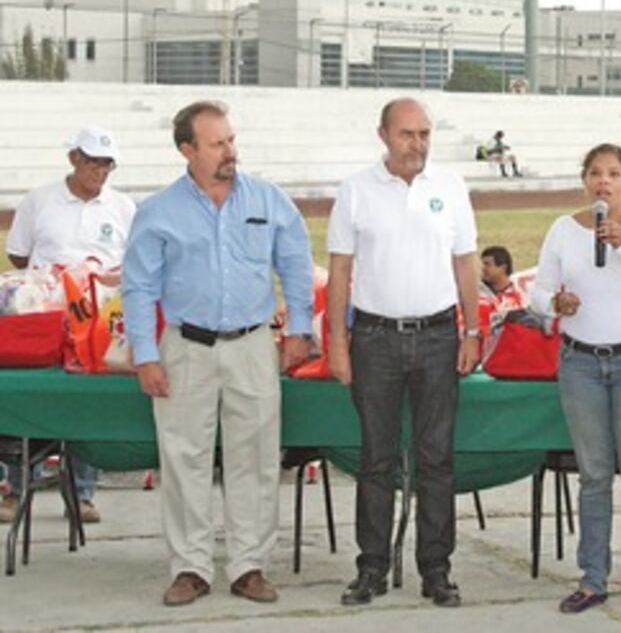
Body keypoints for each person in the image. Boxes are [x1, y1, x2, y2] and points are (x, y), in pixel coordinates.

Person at [121, 100, 314, 607]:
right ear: (188, 150)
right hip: (186, 347)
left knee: (255, 457)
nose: (230, 151)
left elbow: (296, 264)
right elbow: (138, 287)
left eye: (230, 140)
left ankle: (250, 566)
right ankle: (190, 568)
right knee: (184, 457)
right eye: (217, 143)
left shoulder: (269, 200)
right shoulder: (158, 212)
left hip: (252, 345)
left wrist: (299, 327)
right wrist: (145, 354)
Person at [328, 98, 481, 609]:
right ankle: (371, 567)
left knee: (436, 458)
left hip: (439, 337)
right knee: (377, 457)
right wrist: (337, 343)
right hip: (374, 339)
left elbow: (465, 264)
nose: (417, 144)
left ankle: (436, 569)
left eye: (424, 133)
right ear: (383, 135)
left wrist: (473, 329)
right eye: (407, 134)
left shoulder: (451, 187)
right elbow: (341, 272)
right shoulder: (356, 190)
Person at [530, 143, 621, 618]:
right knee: (593, 475)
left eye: (614, 173)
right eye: (595, 173)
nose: (604, 181)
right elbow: (538, 291)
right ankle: (592, 578)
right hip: (580, 363)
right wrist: (554, 303)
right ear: (585, 181)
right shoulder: (563, 229)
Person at [1, 126, 135, 525]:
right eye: (92, 160)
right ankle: (16, 487)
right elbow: (19, 256)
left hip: (97, 319)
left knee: (85, 400)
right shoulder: (40, 201)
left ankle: (81, 491)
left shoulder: (124, 207)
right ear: (74, 158)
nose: (99, 170)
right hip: (46, 315)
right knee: (35, 396)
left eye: (106, 163)